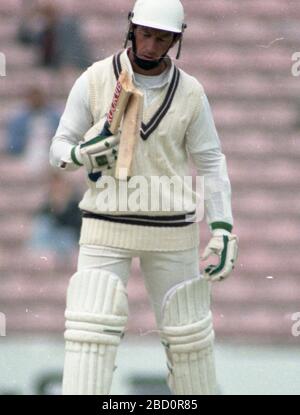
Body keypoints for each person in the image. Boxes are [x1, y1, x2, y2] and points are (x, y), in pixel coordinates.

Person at [50, 0, 238, 395]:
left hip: (172, 227)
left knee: (189, 340)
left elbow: (210, 162)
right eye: (146, 34)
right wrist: (81, 154)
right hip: (106, 222)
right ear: (131, 29)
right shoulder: (96, 78)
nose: (152, 45)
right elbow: (59, 149)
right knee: (91, 332)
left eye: (163, 38)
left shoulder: (190, 92)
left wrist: (222, 229)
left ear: (176, 39)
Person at [7, 86, 60, 173]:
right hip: (26, 156)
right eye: (33, 98)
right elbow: (13, 144)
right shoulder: (18, 120)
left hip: (50, 155)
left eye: (39, 97)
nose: (36, 100)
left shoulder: (54, 117)